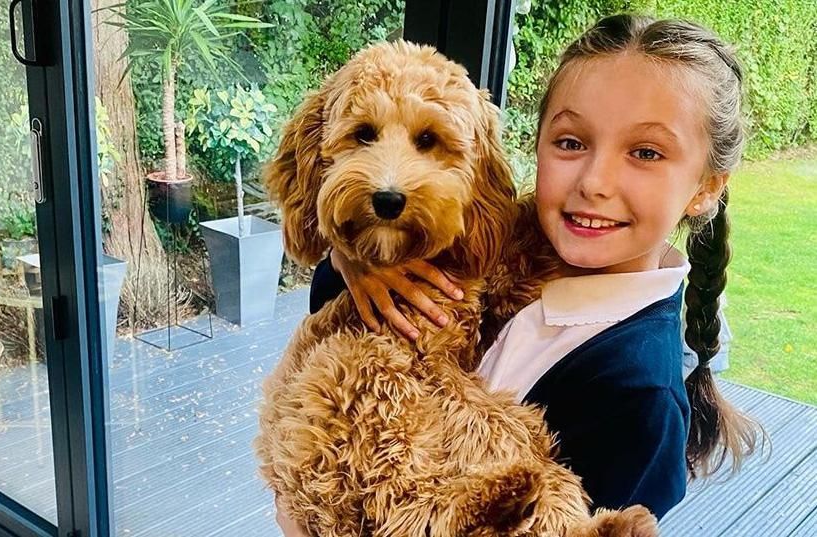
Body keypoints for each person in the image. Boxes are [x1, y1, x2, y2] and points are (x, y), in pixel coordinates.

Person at [277, 14, 760, 535]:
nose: (595, 182)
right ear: (537, 144)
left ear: (705, 187)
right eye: (572, 142)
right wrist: (357, 260)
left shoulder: (638, 402)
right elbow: (347, 322)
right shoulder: (507, 236)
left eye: (645, 153)